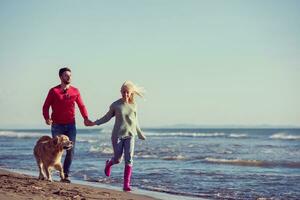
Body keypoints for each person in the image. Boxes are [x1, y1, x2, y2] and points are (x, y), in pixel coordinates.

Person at [91, 80, 146, 191]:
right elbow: (106, 117)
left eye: (127, 92)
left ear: (131, 93)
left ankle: (126, 185)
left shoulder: (134, 105)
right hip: (118, 136)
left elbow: (135, 121)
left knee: (129, 159)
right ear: (120, 92)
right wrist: (94, 123)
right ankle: (109, 163)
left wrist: (140, 133)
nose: (125, 94)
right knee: (117, 159)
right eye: (123, 92)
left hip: (130, 135)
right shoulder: (115, 105)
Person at [42, 67, 93, 183]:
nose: (69, 77)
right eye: (66, 75)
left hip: (70, 125)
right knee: (56, 149)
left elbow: (81, 106)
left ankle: (65, 175)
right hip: (57, 125)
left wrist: (85, 118)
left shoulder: (75, 91)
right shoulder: (53, 91)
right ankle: (48, 169)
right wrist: (47, 118)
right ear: (61, 77)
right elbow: (46, 106)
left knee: (71, 150)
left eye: (70, 75)